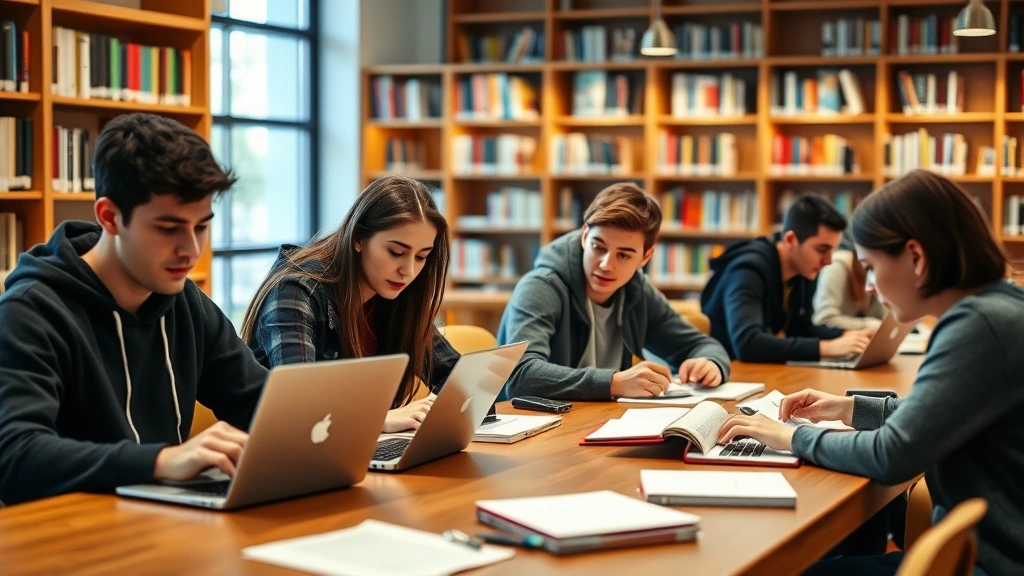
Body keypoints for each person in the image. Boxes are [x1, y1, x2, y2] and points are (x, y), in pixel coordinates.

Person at [718, 170, 1023, 576]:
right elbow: (935, 419)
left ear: (916, 257)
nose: (871, 287)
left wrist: (791, 436)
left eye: (871, 267)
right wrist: (846, 409)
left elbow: (891, 455)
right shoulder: (1001, 308)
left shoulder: (977, 326)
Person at [0, 113, 268, 506]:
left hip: (164, 524)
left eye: (201, 227)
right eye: (168, 228)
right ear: (109, 216)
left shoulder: (186, 303)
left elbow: (260, 404)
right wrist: (161, 461)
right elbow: (15, 458)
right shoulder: (30, 313)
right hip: (72, 542)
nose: (191, 250)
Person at [241, 176, 459, 432]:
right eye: (396, 253)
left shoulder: (397, 297)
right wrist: (377, 419)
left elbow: (460, 383)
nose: (408, 271)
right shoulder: (296, 292)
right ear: (358, 238)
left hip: (354, 449)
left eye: (422, 257)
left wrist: (440, 407)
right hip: (285, 457)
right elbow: (298, 404)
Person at [497, 182, 730, 401]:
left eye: (624, 255)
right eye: (599, 247)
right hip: (531, 432)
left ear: (645, 256)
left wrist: (710, 363)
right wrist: (613, 383)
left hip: (595, 422)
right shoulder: (541, 287)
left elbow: (700, 345)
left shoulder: (636, 291)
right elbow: (521, 376)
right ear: (585, 235)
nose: (607, 264)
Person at [700, 193, 874, 363]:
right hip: (727, 373)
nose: (828, 261)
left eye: (832, 251)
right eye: (822, 250)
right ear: (790, 240)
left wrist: (845, 336)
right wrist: (826, 348)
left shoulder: (803, 270)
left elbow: (801, 329)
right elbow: (747, 343)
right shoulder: (748, 270)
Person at [812, 234, 886, 331]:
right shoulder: (836, 266)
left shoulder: (875, 272)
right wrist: (868, 325)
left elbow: (880, 318)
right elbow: (824, 318)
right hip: (833, 339)